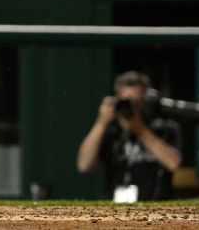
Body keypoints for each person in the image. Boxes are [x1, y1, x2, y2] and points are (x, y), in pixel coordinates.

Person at [76, 71, 182, 201]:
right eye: (126, 102)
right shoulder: (111, 130)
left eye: (136, 103)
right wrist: (101, 123)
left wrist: (140, 130)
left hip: (154, 207)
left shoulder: (163, 128)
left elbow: (173, 163)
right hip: (115, 208)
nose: (130, 108)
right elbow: (83, 165)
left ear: (145, 102)